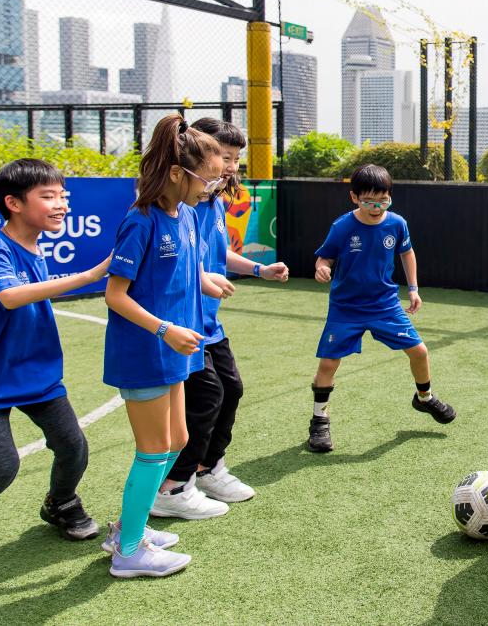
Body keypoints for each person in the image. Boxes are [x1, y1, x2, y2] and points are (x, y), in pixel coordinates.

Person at [0, 159, 110, 566]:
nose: (61, 204)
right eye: (48, 196)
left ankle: (60, 504)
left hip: (33, 372)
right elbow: (9, 297)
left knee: (73, 446)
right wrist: (90, 275)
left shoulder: (33, 244)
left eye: (63, 196)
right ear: (13, 203)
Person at [101, 114, 226, 578]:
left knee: (177, 439)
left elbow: (182, 272)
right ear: (177, 173)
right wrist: (164, 330)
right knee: (154, 448)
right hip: (145, 351)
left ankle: (127, 527)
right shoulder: (140, 220)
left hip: (178, 348)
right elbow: (115, 295)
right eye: (207, 179)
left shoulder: (190, 215)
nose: (210, 189)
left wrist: (206, 280)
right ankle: (129, 553)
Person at [150, 117, 290, 519]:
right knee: (206, 398)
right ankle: (175, 484)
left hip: (209, 321)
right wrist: (200, 279)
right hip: (182, 321)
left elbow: (213, 256)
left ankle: (207, 468)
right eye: (224, 157)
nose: (230, 166)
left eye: (235, 159)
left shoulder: (209, 201)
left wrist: (260, 270)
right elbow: (176, 262)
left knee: (231, 389)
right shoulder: (176, 205)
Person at [307, 164, 455, 453]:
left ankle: (424, 398)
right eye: (369, 202)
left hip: (384, 304)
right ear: (354, 198)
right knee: (328, 364)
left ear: (390, 197)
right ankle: (319, 420)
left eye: (383, 201)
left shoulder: (397, 223)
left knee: (419, 351)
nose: (376, 207)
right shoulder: (342, 227)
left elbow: (407, 252)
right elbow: (323, 258)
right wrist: (321, 269)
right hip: (345, 307)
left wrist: (413, 288)